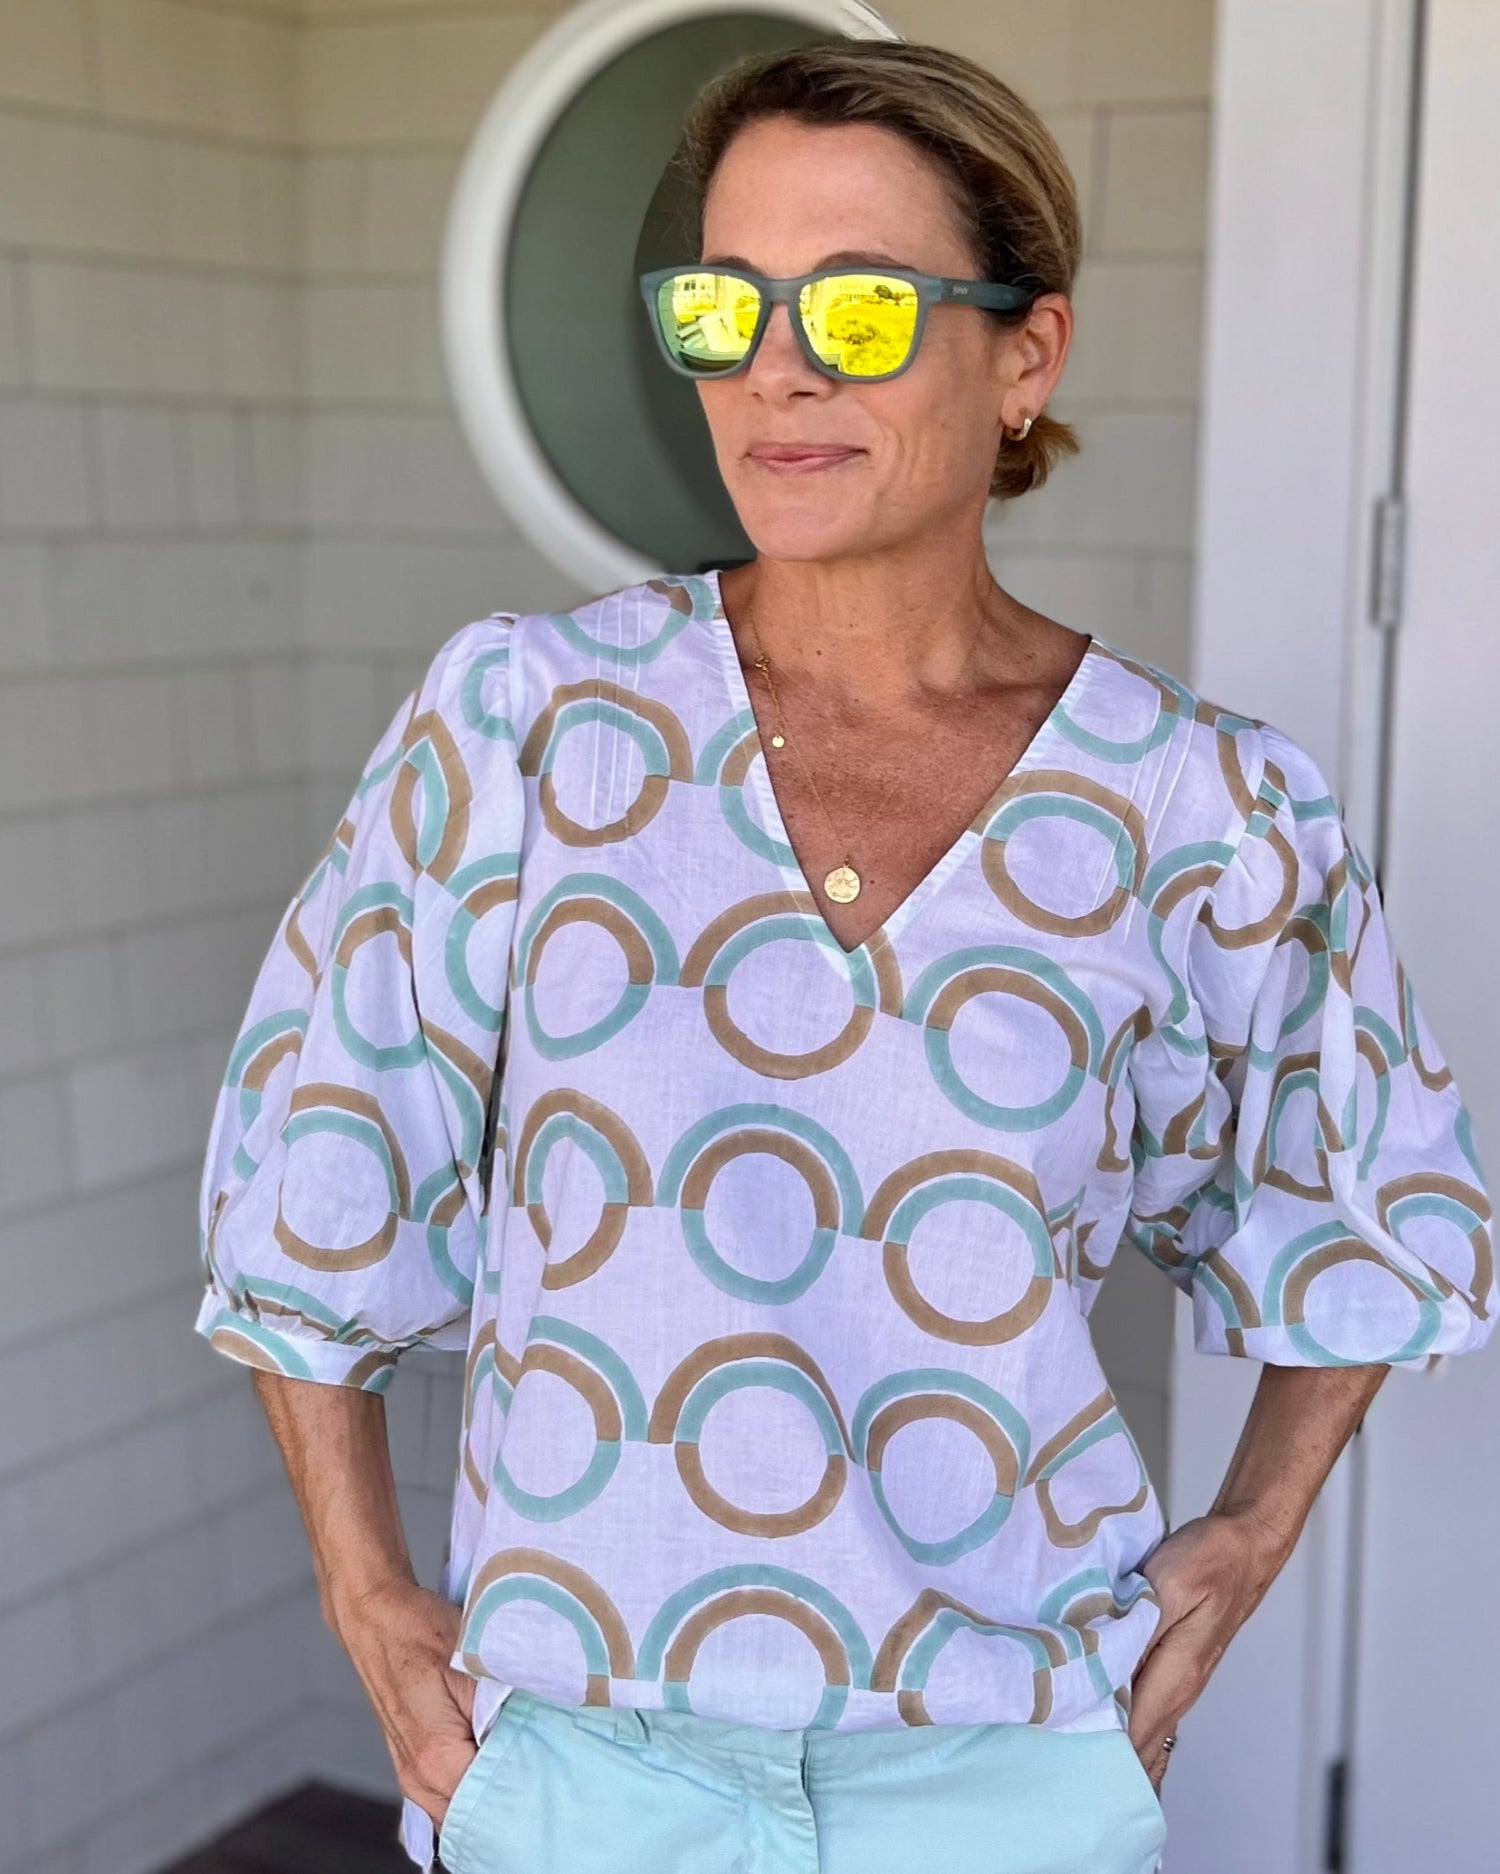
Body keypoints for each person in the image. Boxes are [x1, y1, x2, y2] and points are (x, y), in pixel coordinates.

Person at [192, 39, 1496, 1874]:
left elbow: (1367, 1208)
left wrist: (1249, 1535)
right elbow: (313, 1177)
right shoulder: (527, 725)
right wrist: (365, 1585)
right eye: (724, 306)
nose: (777, 369)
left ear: (1027, 355)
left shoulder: (1203, 804)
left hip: (1002, 1776)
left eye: (863, 308)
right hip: (580, 1768)